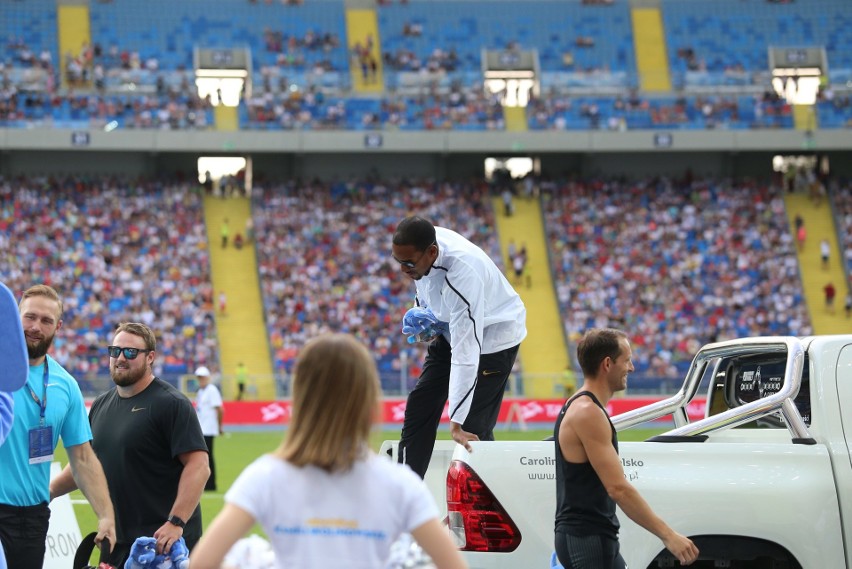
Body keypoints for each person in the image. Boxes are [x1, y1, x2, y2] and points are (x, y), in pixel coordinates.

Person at [189, 333, 467, 569]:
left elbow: (203, 561)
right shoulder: (400, 484)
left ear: (298, 405)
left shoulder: (266, 476)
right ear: (371, 407)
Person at [50, 322, 209, 567]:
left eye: (131, 352)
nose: (120, 358)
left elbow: (198, 466)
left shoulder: (171, 404)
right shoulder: (101, 405)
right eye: (115, 351)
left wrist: (176, 522)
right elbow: (84, 464)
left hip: (163, 547)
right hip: (118, 542)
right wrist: (45, 493)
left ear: (150, 358)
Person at [391, 216, 527, 478]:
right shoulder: (421, 246)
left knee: (473, 427)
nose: (403, 270)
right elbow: (429, 285)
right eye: (398, 262)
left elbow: (466, 353)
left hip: (494, 338)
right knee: (420, 404)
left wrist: (456, 423)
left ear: (432, 252)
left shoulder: (463, 272)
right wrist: (423, 313)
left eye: (408, 263)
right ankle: (404, 492)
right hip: (451, 329)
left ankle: (492, 505)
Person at [554, 328, 698, 568]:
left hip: (590, 536)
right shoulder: (587, 413)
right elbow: (618, 488)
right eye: (627, 360)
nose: (631, 368)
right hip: (587, 539)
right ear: (608, 364)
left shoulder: (580, 405)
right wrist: (668, 535)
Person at [0, 285, 116, 569]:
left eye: (46, 320)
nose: (36, 326)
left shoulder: (66, 385)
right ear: (15, 317)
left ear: (58, 326)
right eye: (29, 317)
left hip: (34, 518)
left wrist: (105, 515)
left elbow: (83, 457)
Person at [194, 365, 223, 492]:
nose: (201, 380)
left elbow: (220, 409)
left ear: (207, 378)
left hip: (209, 429)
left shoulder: (212, 390)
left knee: (208, 457)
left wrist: (219, 426)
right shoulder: (200, 392)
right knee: (204, 457)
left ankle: (211, 484)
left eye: (202, 377)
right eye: (199, 378)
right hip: (202, 429)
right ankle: (208, 484)